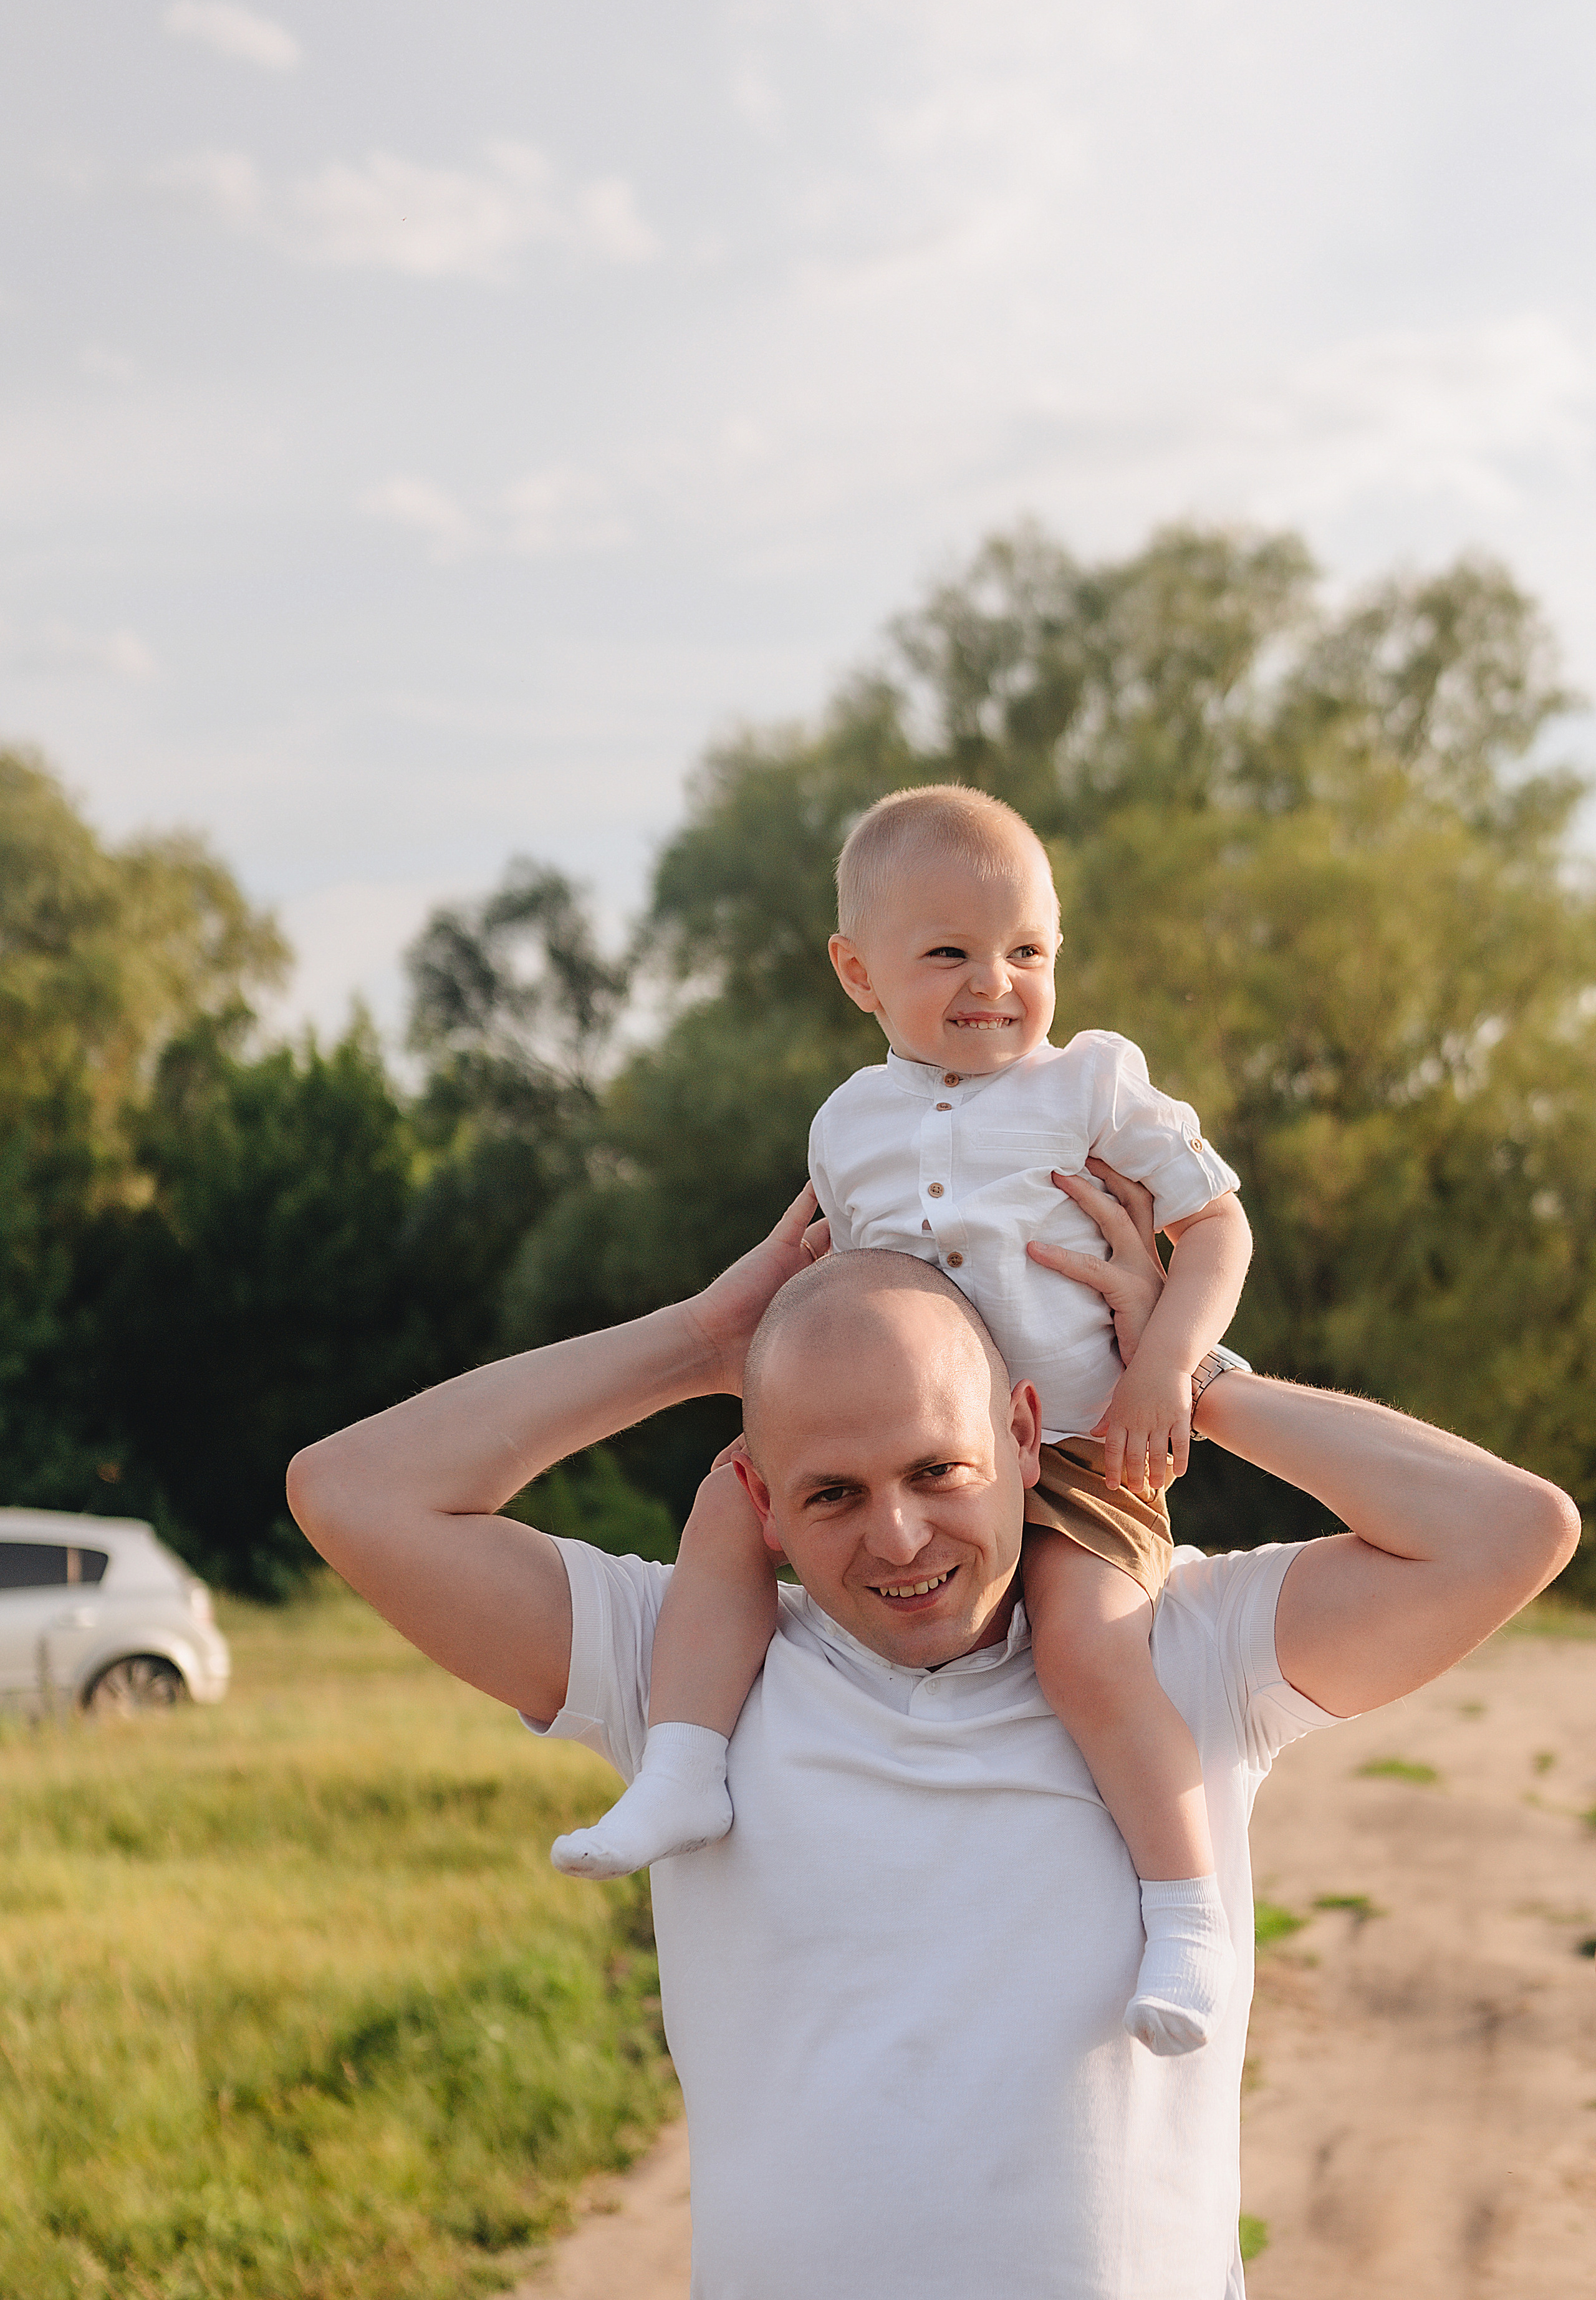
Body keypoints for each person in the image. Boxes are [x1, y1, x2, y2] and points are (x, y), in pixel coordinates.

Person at [286, 1175, 1576, 2300]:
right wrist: (695, 1344)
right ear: (760, 1501)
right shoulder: (682, 1662)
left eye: (935, 1470)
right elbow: (351, 1492)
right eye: (831, 1492)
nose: (896, 1538)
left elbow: (1509, 1532)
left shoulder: (1175, 1649)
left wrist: (1179, 1376)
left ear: (1021, 1435)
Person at [555, 786, 1253, 2057]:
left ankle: (1187, 1916)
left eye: (1025, 950)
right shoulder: (845, 1123)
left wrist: (1167, 1360)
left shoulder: (1091, 1082)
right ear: (855, 972)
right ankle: (683, 1763)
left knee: (1089, 1651)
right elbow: (830, 1290)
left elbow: (1216, 1228)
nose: (995, 981)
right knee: (725, 1504)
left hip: (1085, 1446)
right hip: (903, 1454)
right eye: (948, 953)